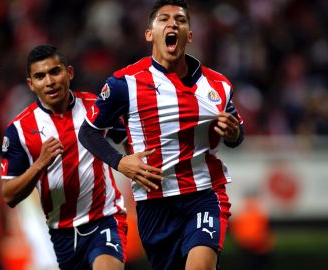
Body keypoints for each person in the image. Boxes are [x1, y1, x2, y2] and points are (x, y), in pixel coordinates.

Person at [78, 1, 245, 269]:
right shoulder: (124, 84)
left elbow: (237, 135)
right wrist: (120, 162)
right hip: (154, 203)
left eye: (180, 20)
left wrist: (234, 133)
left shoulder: (218, 85)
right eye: (163, 19)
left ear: (189, 35)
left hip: (204, 193)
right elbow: (88, 132)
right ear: (149, 33)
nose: (172, 24)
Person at [1, 44, 128, 270]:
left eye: (55, 72)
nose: (49, 81)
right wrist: (39, 164)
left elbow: (130, 140)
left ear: (69, 73)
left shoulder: (95, 107)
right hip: (62, 233)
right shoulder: (19, 130)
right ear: (31, 84)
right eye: (40, 76)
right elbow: (9, 195)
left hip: (105, 218)